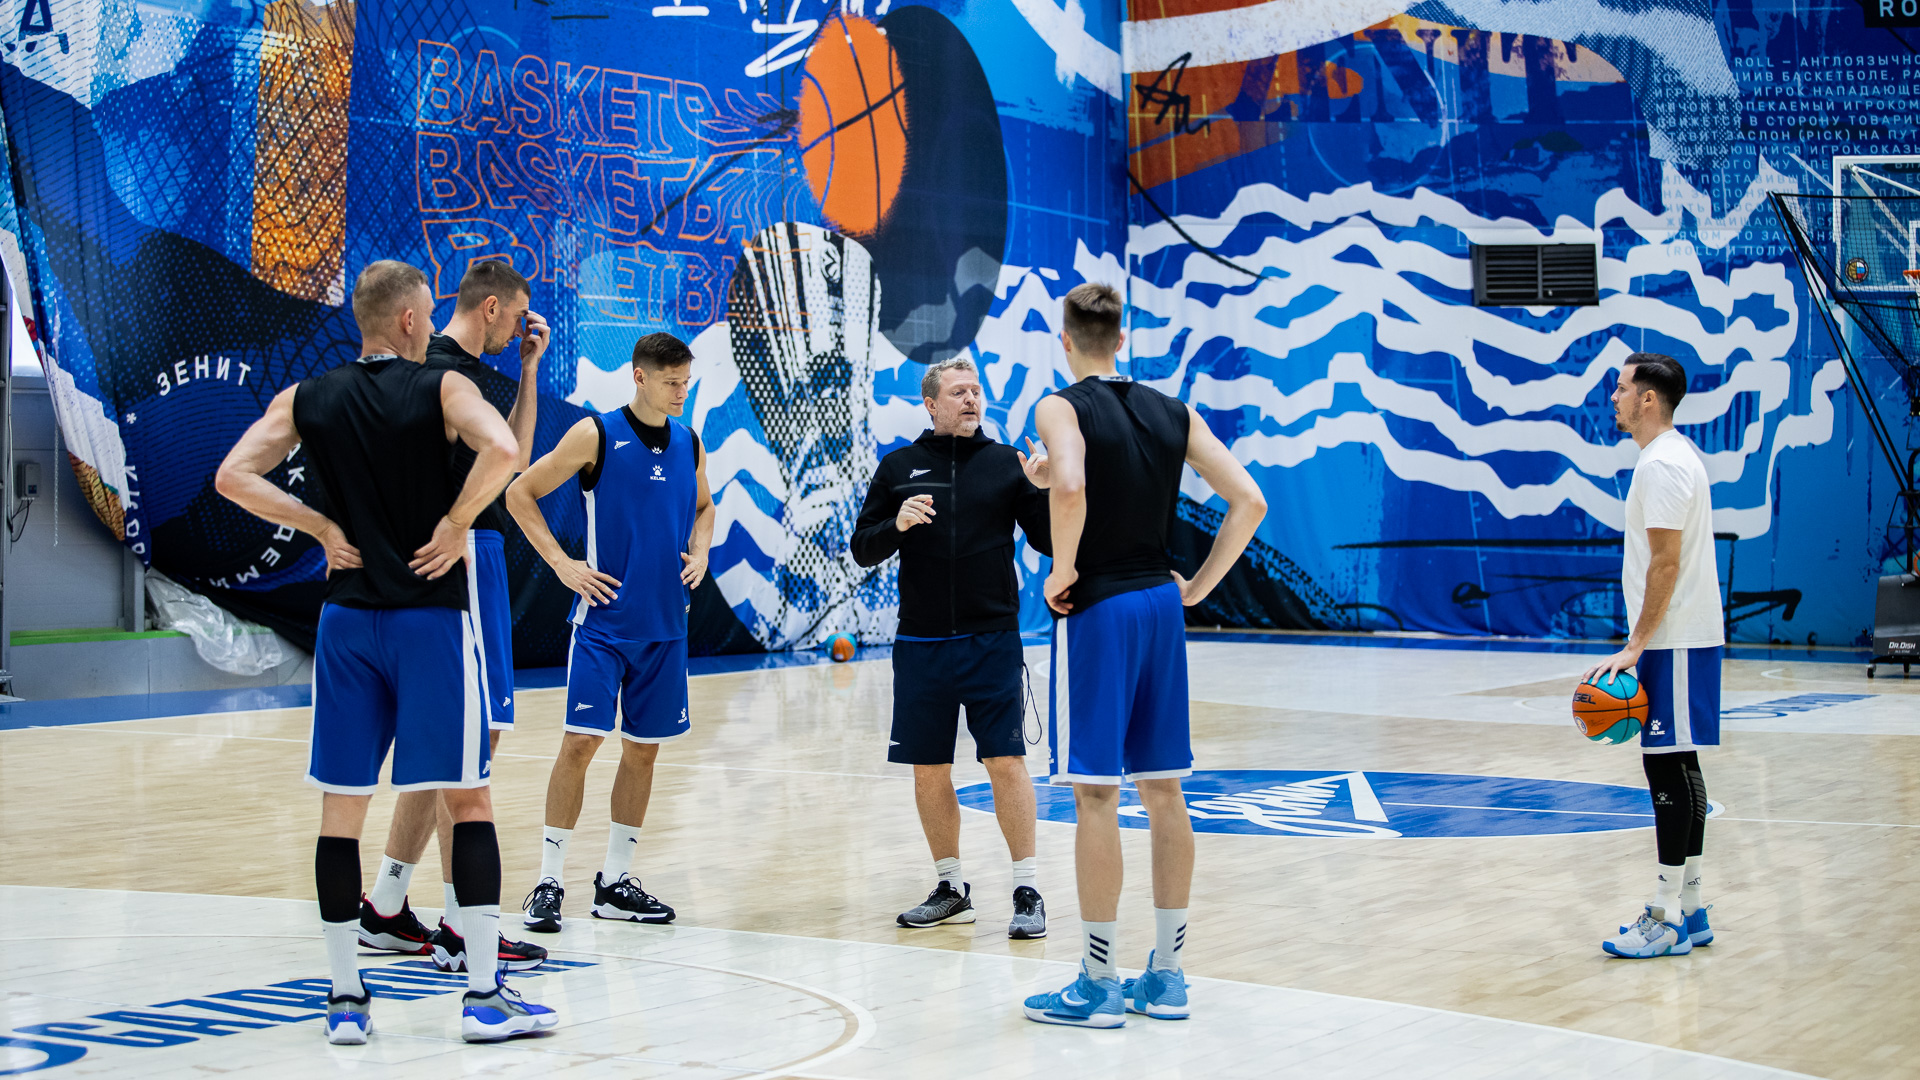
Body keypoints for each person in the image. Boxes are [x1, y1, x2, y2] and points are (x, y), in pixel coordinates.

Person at [214, 260, 559, 1044]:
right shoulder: (443, 388)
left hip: (346, 623)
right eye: (428, 313)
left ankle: (345, 999)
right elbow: (504, 448)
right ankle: (483, 997)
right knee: (469, 798)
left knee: (341, 813)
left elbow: (232, 475)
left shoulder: (308, 397)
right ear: (408, 320)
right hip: (428, 620)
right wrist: (456, 523)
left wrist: (320, 528)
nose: (432, 323)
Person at [1019, 282, 1266, 1028]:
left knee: (1096, 793)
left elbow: (1072, 483)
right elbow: (1249, 500)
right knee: (1164, 790)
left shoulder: (1059, 407)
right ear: (1121, 339)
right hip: (1162, 605)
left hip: (1100, 608)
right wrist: (1198, 589)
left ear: (1066, 340)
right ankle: (1168, 976)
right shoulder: (1173, 410)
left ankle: (1098, 984)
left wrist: (1062, 569)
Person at [356, 259, 551, 975]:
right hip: (465, 554)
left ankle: (385, 905)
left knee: (450, 743)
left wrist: (528, 372)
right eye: (517, 317)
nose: (521, 329)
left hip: (470, 552)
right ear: (492, 307)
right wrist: (459, 524)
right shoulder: (440, 370)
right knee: (470, 742)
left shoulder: (467, 372)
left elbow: (514, 458)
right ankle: (462, 924)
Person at [506, 331, 715, 933]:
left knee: (643, 752)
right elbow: (520, 493)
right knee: (580, 744)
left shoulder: (690, 441)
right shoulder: (595, 434)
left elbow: (705, 508)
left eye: (686, 382)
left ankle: (615, 882)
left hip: (666, 628)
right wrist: (562, 564)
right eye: (672, 382)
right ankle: (549, 881)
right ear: (639, 377)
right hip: (603, 626)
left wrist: (701, 551)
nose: (681, 392)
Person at [850, 356, 1053, 938]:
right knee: (929, 768)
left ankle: (1027, 889)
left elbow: (1046, 539)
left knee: (1005, 762)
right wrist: (897, 525)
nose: (970, 400)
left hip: (992, 639)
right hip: (921, 642)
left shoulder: (1008, 463)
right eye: (958, 392)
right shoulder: (899, 467)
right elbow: (863, 548)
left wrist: (1042, 489)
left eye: (975, 391)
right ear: (931, 403)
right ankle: (950, 888)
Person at [1584, 352, 1722, 959]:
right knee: (1680, 764)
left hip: (1674, 639)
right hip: (1683, 635)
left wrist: (1636, 645)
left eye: (1620, 388)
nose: (1613, 397)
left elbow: (1665, 563)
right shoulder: (1671, 456)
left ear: (1647, 398)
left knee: (1666, 770)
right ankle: (1690, 909)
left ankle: (1664, 919)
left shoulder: (1663, 464)